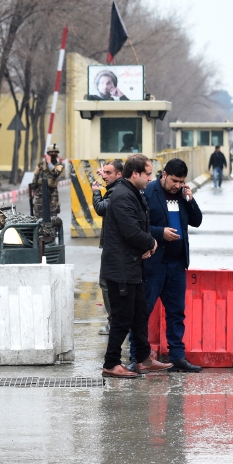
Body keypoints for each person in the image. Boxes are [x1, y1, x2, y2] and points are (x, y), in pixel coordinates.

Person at [100, 154, 171, 378]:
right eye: (148, 173)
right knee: (122, 318)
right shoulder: (122, 196)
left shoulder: (133, 193)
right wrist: (151, 242)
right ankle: (111, 363)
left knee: (140, 314)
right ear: (135, 173)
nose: (151, 177)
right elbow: (130, 230)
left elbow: (140, 226)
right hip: (121, 269)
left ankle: (143, 359)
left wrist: (148, 244)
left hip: (132, 266)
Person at [135, 158, 203, 372]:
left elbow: (197, 221)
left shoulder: (182, 195)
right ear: (163, 175)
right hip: (154, 263)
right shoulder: (148, 192)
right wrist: (160, 233)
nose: (177, 185)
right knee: (142, 312)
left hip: (176, 264)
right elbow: (138, 225)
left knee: (176, 313)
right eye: (174, 180)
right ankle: (138, 357)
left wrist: (190, 200)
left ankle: (177, 357)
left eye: (181, 181)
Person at [92, 160, 123, 335]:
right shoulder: (119, 188)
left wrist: (96, 192)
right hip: (115, 245)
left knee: (107, 284)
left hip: (114, 247)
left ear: (119, 174)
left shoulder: (117, 191)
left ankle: (114, 323)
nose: (104, 175)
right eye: (104, 172)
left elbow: (101, 208)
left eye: (108, 173)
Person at [31, 144, 64, 219]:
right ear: (48, 153)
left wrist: (49, 163)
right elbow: (35, 177)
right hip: (40, 192)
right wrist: (32, 190)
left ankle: (52, 230)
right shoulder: (41, 165)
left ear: (57, 154)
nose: (52, 154)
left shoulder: (59, 165)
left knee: (53, 215)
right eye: (51, 152)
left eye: (54, 152)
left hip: (52, 194)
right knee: (39, 214)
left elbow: (55, 173)